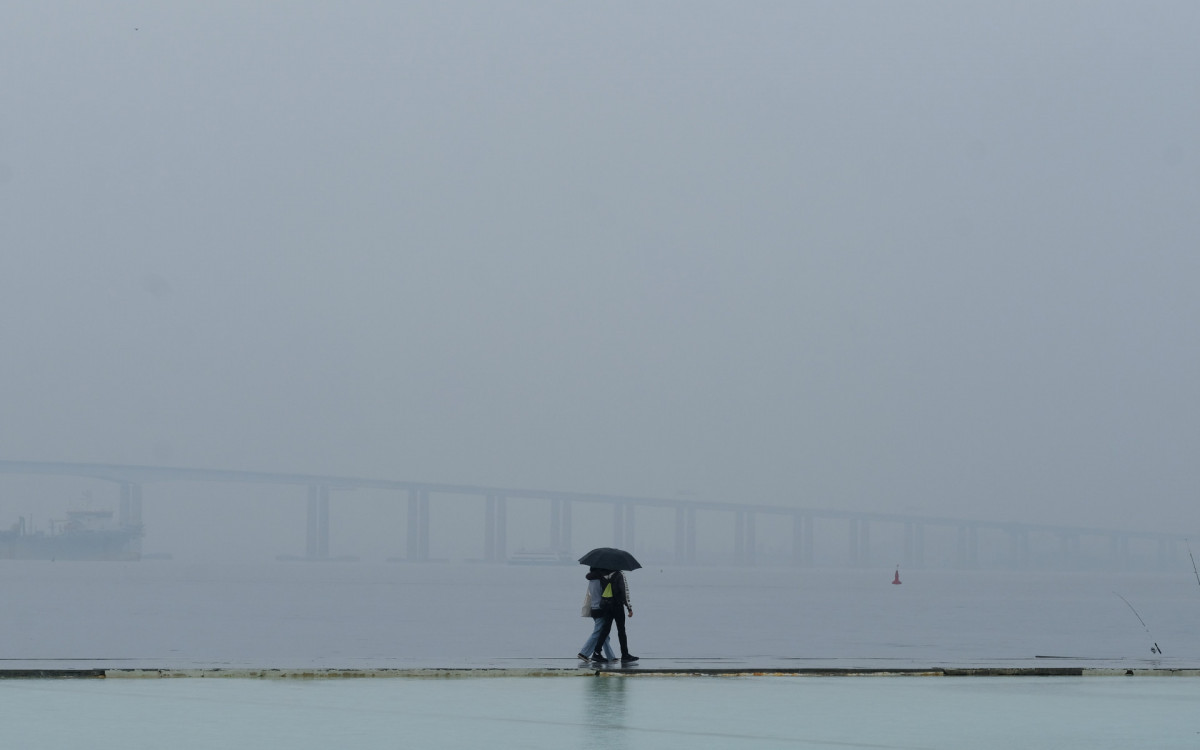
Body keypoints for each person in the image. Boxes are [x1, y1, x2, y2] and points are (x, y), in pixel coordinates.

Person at [592, 568, 637, 663]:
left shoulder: (602, 575)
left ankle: (596, 653)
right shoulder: (619, 574)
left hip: (606, 606)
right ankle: (625, 655)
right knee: (621, 630)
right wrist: (629, 608)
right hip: (617, 605)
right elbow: (625, 592)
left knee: (605, 630)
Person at [578, 567, 616, 662]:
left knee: (604, 634)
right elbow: (605, 595)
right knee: (598, 632)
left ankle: (611, 656)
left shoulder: (591, 581)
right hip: (601, 609)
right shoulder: (601, 581)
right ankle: (584, 653)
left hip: (594, 608)